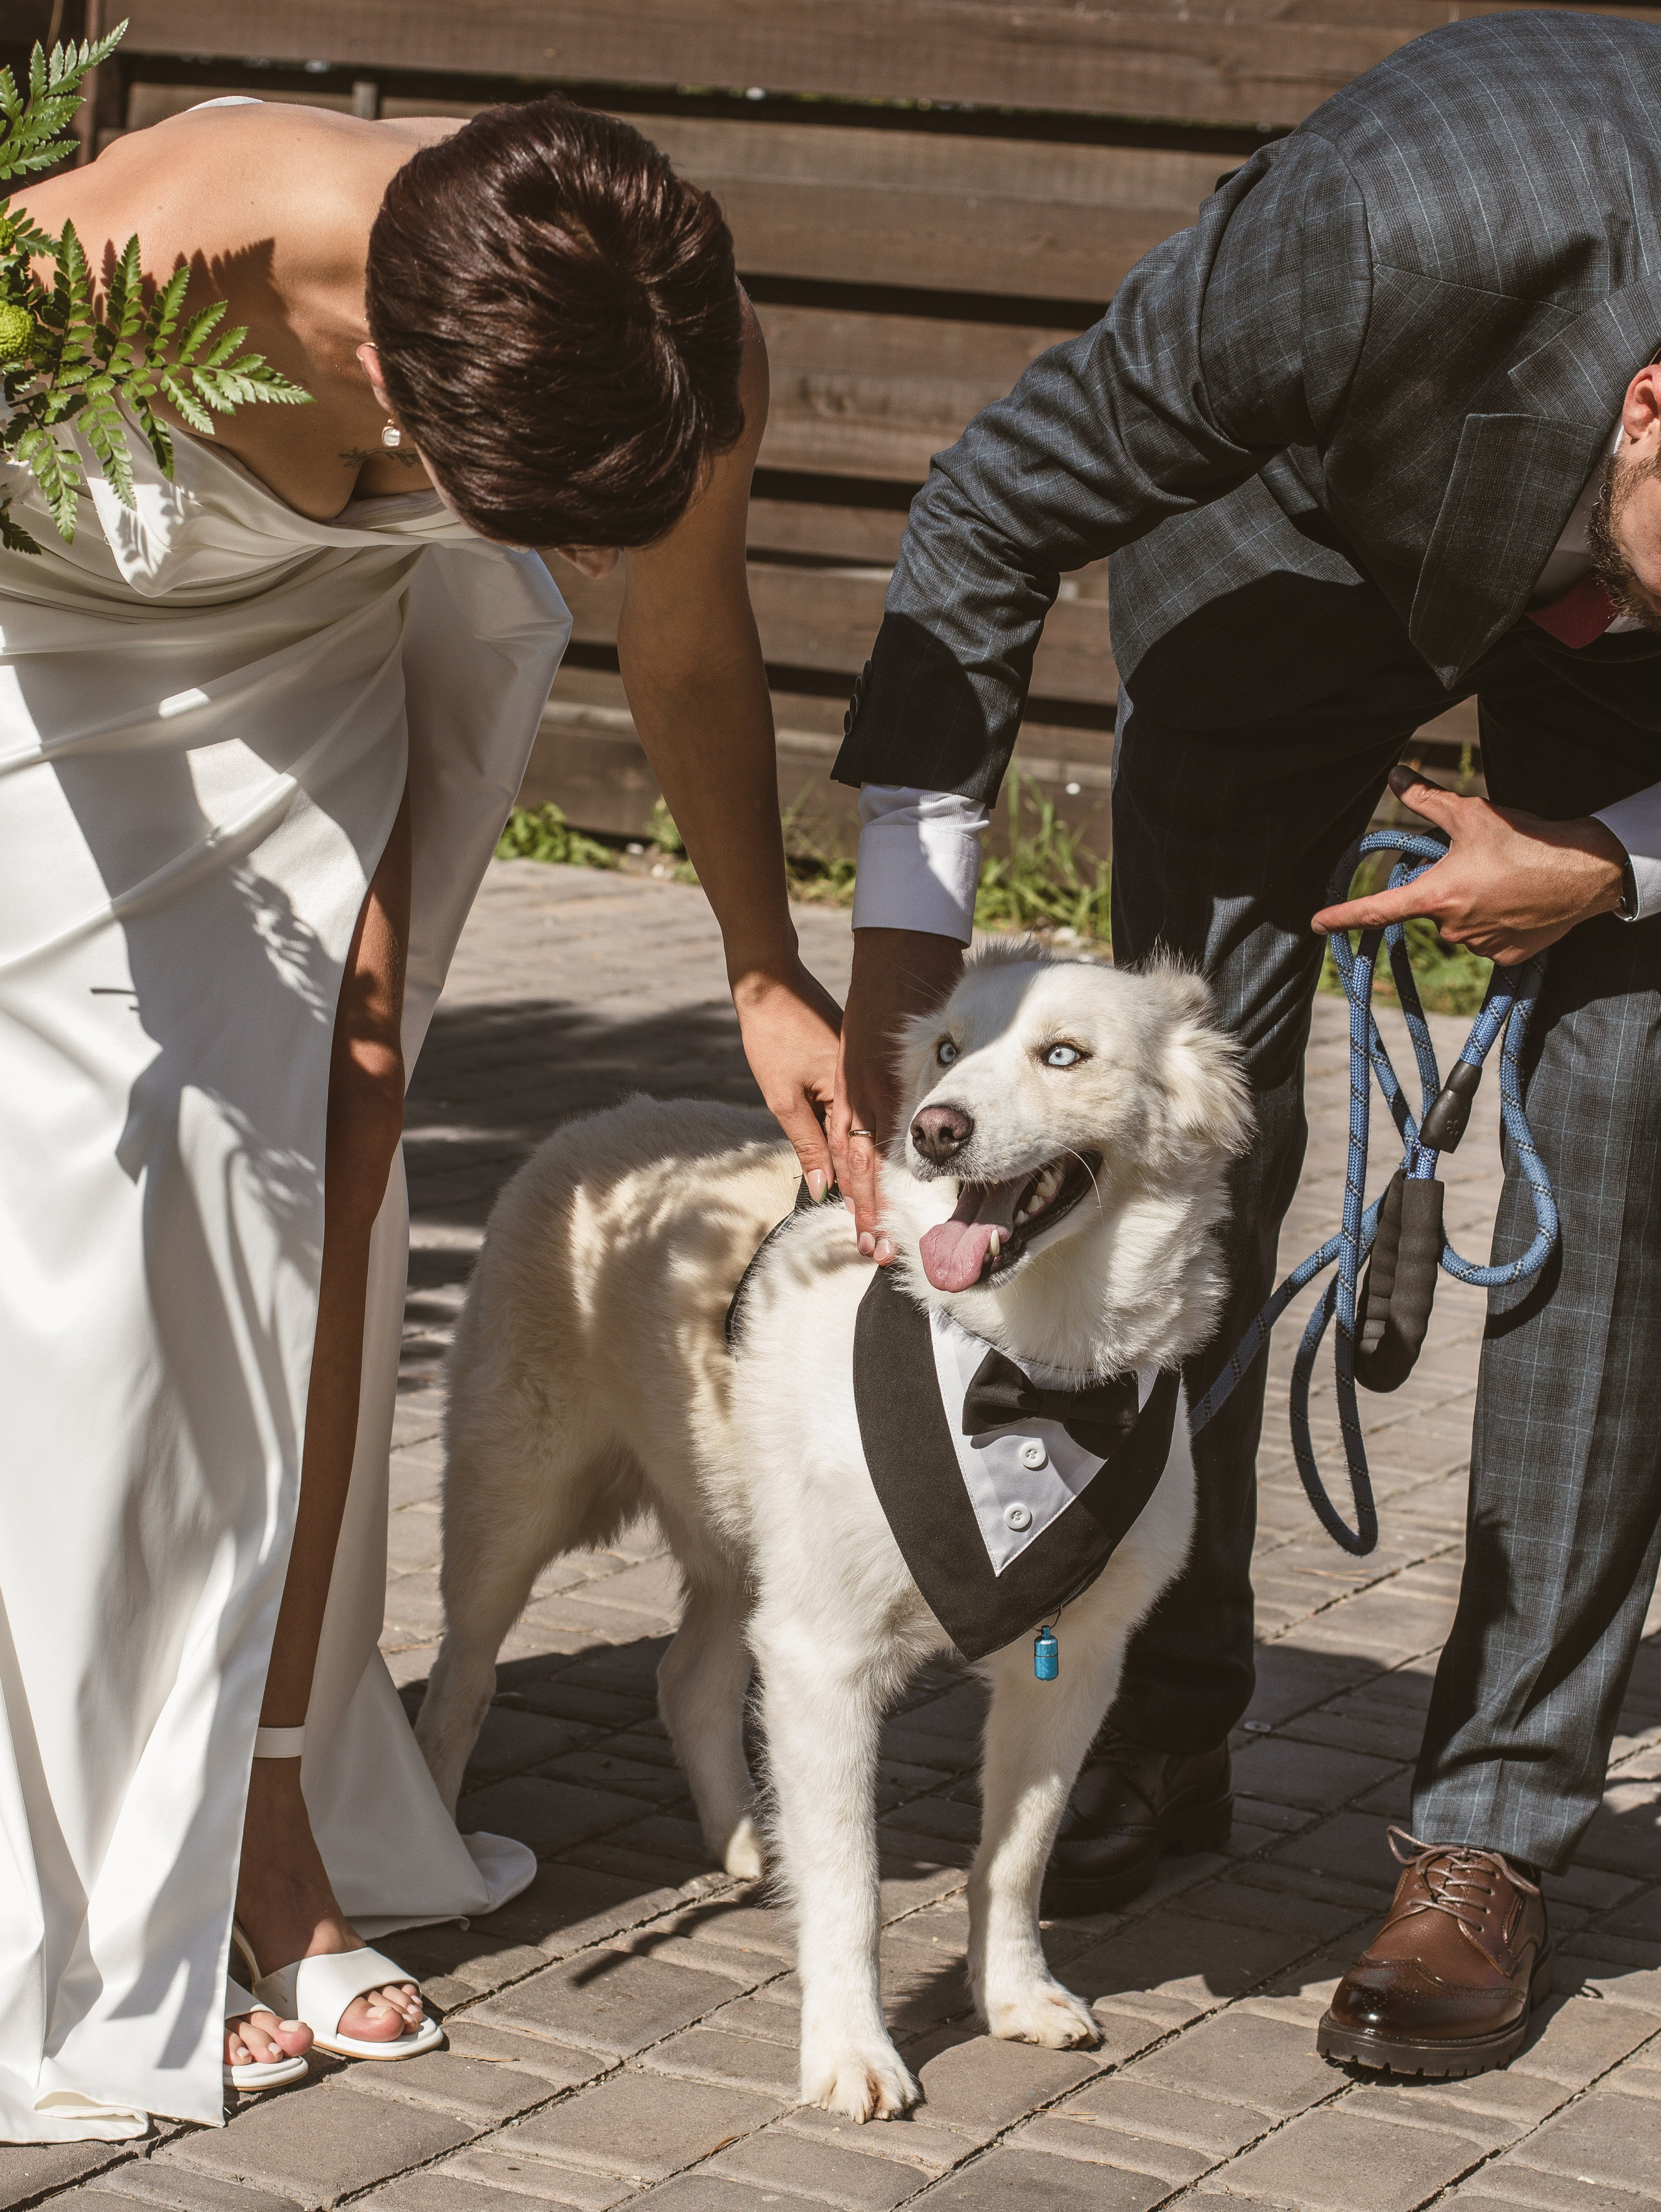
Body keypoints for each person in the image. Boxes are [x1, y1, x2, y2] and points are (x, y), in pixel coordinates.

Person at [829, 8, 1661, 2076]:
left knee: (1632, 1091)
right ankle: (1144, 1699)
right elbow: (988, 516)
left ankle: (1491, 1827)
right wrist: (888, 984)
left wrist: (1618, 870)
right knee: (1181, 1108)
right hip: (1293, 531)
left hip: (1621, 698)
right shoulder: (1370, 242)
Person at [1, 89, 840, 2137]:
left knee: (342, 1147)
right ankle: (83, 1828)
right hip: (45, 681)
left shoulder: (664, 331)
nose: (563, 554)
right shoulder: (113, 265)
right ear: (388, 362)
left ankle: (273, 1795)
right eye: (522, 511)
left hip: (312, 661)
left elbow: (684, 629)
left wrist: (759, 965)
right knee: (118, 1243)